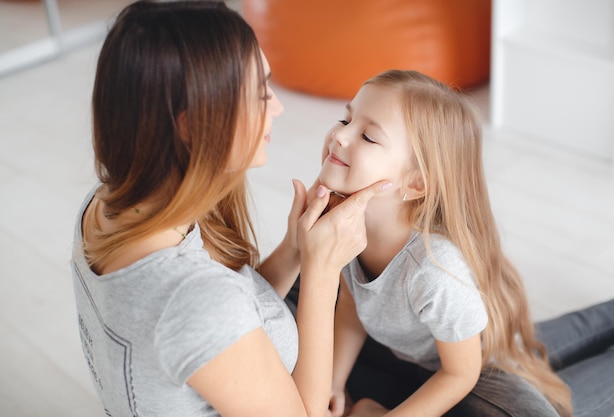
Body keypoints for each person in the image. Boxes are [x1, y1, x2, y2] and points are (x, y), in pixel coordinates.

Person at [71, 2, 392, 416]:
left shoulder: (107, 203)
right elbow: (209, 315)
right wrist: (323, 272)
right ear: (190, 125)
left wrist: (295, 250)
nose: (276, 107)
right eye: (261, 93)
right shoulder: (195, 300)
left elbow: (225, 329)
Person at [310, 69, 614, 417]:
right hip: (450, 349)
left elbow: (460, 373)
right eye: (345, 119)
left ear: (415, 184)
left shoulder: (433, 272)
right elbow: (354, 307)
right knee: (589, 326)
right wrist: (332, 382)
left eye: (368, 136)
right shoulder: (346, 229)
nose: (339, 136)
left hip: (484, 367)